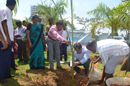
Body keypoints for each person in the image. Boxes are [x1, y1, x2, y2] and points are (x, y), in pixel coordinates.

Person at [0, 0, 16, 84]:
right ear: (13, 5)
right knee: (3, 59)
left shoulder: (8, 11)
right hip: (4, 40)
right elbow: (3, 23)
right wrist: (7, 38)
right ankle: (1, 77)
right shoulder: (4, 10)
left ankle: (7, 74)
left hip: (9, 39)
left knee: (8, 58)